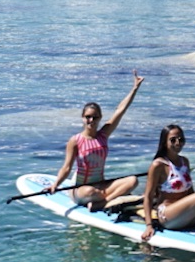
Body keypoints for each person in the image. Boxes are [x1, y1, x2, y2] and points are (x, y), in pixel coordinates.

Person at [47, 72, 144, 210]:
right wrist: (55, 185)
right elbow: (66, 167)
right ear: (82, 117)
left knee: (133, 180)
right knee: (90, 192)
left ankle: (103, 202)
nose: (91, 120)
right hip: (80, 189)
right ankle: (108, 198)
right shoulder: (75, 140)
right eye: (88, 117)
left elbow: (120, 110)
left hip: (100, 185)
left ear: (100, 118)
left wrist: (134, 89)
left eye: (95, 117)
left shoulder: (103, 135)